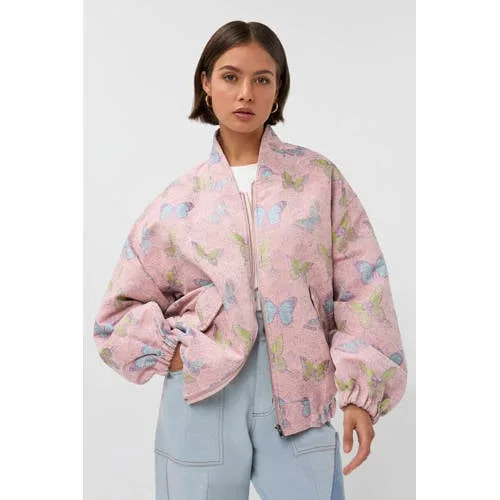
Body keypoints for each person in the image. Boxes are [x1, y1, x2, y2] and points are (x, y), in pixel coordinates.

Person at [93, 20, 407, 500]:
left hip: (300, 394)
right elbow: (115, 316)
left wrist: (361, 395)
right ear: (206, 83)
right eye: (230, 76)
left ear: (278, 89)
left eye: (262, 78)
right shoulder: (178, 202)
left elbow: (363, 290)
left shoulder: (317, 181)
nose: (246, 93)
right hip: (203, 394)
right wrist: (174, 352)